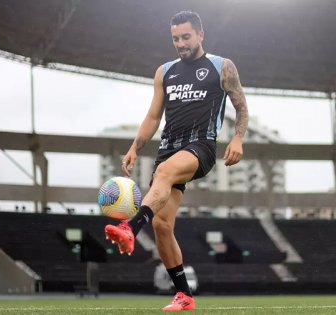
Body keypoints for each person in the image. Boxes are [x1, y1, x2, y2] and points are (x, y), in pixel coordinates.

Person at [105, 10, 249, 312]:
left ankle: (130, 227)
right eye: (175, 39)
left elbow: (241, 106)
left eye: (186, 37)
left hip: (201, 147)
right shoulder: (165, 71)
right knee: (162, 224)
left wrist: (237, 138)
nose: (181, 43)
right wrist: (134, 146)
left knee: (166, 173)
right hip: (168, 148)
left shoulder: (221, 66)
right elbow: (153, 116)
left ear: (200, 35)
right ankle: (184, 295)